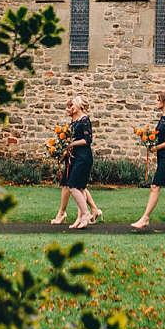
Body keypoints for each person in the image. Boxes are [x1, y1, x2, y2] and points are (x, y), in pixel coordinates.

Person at [131, 91, 165, 231]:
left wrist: (157, 148)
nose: (156, 102)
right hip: (163, 156)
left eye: (158, 99)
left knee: (155, 186)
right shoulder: (163, 118)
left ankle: (145, 218)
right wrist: (149, 141)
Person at [60, 95, 97, 229]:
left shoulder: (85, 120)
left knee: (72, 186)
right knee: (80, 188)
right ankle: (80, 218)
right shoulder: (74, 122)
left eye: (73, 105)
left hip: (84, 156)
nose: (71, 107)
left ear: (79, 106)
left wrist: (71, 144)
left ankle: (86, 213)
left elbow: (88, 140)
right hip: (75, 156)